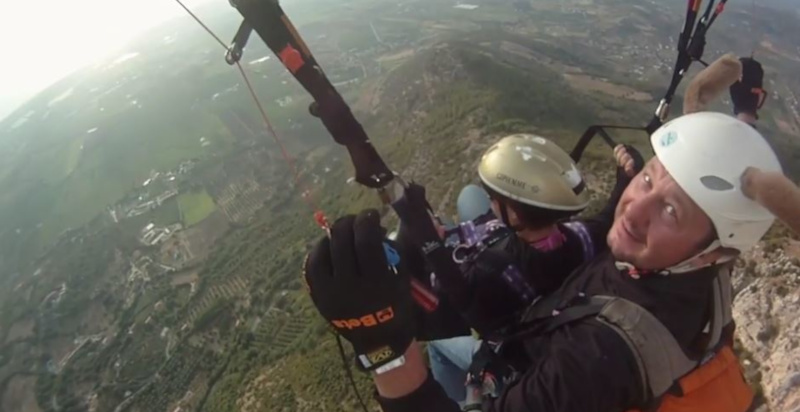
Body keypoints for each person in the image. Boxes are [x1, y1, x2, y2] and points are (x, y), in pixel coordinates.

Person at [303, 111, 782, 412]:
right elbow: (602, 223)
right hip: (543, 317)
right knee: (470, 201)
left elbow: (467, 302)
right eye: (649, 180)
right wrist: (741, 115)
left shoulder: (591, 363)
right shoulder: (680, 262)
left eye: (671, 210)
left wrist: (384, 348)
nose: (634, 210)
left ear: (716, 249)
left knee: (438, 352)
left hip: (522, 352)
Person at [423, 135, 641, 404]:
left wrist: (430, 244)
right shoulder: (583, 237)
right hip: (543, 307)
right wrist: (626, 177)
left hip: (511, 350)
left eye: (494, 199)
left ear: (514, 216)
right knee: (471, 196)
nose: (491, 204)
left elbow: (440, 297)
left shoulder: (487, 273)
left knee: (436, 347)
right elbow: (610, 215)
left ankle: (456, 401)